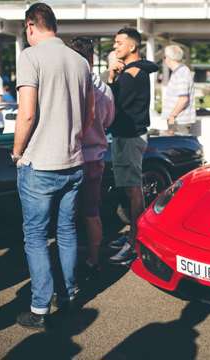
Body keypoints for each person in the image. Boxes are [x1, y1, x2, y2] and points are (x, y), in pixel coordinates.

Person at [12, 2, 93, 330]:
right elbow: (89, 116)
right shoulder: (80, 61)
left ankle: (40, 306)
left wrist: (17, 151)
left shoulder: (30, 57)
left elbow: (27, 112)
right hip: (73, 161)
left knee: (35, 236)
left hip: (40, 163)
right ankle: (71, 294)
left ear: (31, 25)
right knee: (67, 231)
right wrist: (73, 141)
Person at [106, 27, 159, 264]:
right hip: (129, 136)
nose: (115, 47)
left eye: (119, 43)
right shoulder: (136, 70)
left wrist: (110, 78)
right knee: (130, 189)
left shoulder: (130, 74)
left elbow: (112, 106)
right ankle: (134, 235)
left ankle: (135, 241)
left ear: (132, 47)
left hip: (128, 138)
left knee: (132, 190)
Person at [69, 36, 115, 279]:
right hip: (96, 157)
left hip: (71, 156)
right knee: (92, 212)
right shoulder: (105, 90)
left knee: (68, 215)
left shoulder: (71, 86)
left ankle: (70, 262)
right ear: (92, 58)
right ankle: (95, 259)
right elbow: (108, 121)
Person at [162, 44, 196, 136]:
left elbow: (183, 99)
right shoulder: (179, 72)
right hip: (177, 120)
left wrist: (172, 116)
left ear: (169, 58)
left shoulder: (181, 73)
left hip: (179, 121)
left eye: (164, 57)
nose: (164, 59)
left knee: (178, 148)